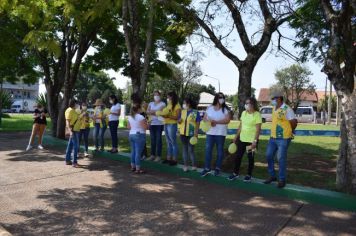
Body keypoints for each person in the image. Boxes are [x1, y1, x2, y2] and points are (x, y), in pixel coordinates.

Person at [263, 91, 298, 188]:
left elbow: (294, 122)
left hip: (283, 138)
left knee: (280, 158)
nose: (272, 101)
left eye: (273, 99)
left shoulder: (287, 109)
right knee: (269, 155)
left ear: (278, 98)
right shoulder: (274, 108)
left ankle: (282, 179)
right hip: (273, 137)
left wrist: (291, 130)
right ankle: (272, 176)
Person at [228, 97, 262, 182]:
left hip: (251, 141)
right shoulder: (243, 113)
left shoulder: (257, 114)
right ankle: (235, 173)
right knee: (238, 157)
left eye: (248, 103)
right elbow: (240, 126)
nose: (246, 105)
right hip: (242, 139)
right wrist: (235, 138)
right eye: (245, 103)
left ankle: (249, 175)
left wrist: (255, 141)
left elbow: (258, 130)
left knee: (250, 158)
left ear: (253, 104)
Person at [201, 92, 231, 177]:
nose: (222, 99)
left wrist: (216, 122)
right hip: (210, 133)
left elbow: (227, 120)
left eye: (223, 97)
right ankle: (207, 168)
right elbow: (204, 118)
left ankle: (218, 168)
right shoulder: (210, 108)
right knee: (208, 150)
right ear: (216, 98)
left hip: (220, 134)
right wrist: (210, 122)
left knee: (220, 151)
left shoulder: (225, 109)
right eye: (220, 97)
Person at [157, 91, 181, 166]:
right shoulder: (168, 105)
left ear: (172, 97)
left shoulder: (177, 105)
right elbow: (165, 113)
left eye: (168, 97)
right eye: (167, 97)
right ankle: (168, 158)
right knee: (168, 142)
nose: (167, 98)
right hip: (166, 124)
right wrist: (163, 115)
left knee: (173, 142)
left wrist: (168, 116)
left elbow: (177, 117)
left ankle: (174, 159)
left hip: (172, 125)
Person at [178, 96, 201, 172]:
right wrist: (179, 120)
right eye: (183, 103)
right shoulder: (182, 111)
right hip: (182, 133)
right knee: (184, 149)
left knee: (191, 150)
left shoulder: (195, 112)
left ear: (189, 104)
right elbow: (179, 121)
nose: (183, 104)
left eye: (184, 103)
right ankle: (185, 166)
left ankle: (194, 165)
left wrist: (196, 134)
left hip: (191, 134)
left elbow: (198, 124)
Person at [127, 103, 148, 174]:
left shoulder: (130, 117)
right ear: (138, 109)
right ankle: (138, 169)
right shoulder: (140, 117)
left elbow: (128, 127)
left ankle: (133, 167)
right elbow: (145, 127)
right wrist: (148, 124)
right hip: (139, 135)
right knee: (138, 153)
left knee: (133, 151)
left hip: (131, 134)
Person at [147, 90, 166, 162]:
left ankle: (158, 156)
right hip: (152, 123)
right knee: (152, 140)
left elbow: (162, 113)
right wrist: (156, 112)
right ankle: (152, 155)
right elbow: (147, 112)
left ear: (160, 96)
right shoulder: (150, 103)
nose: (156, 96)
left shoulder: (163, 104)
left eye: (157, 95)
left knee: (158, 140)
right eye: (155, 95)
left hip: (159, 124)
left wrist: (152, 112)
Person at [65, 99, 82, 167]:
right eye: (76, 103)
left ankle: (67, 160)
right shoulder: (70, 110)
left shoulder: (73, 110)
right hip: (74, 131)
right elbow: (67, 121)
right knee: (76, 147)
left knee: (70, 146)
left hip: (75, 130)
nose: (77, 105)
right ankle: (74, 162)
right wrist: (70, 131)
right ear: (73, 103)